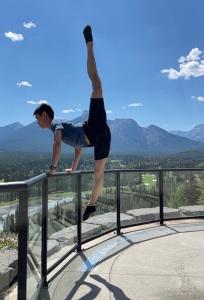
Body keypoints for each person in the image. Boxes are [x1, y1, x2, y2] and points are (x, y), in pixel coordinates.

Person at [33, 25, 111, 221]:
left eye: (37, 118)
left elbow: (57, 143)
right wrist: (73, 168)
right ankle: (91, 206)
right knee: (98, 173)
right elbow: (78, 147)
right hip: (100, 137)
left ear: (44, 114)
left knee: (96, 84)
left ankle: (89, 44)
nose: (37, 123)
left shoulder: (56, 123)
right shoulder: (60, 128)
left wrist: (53, 167)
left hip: (93, 126)